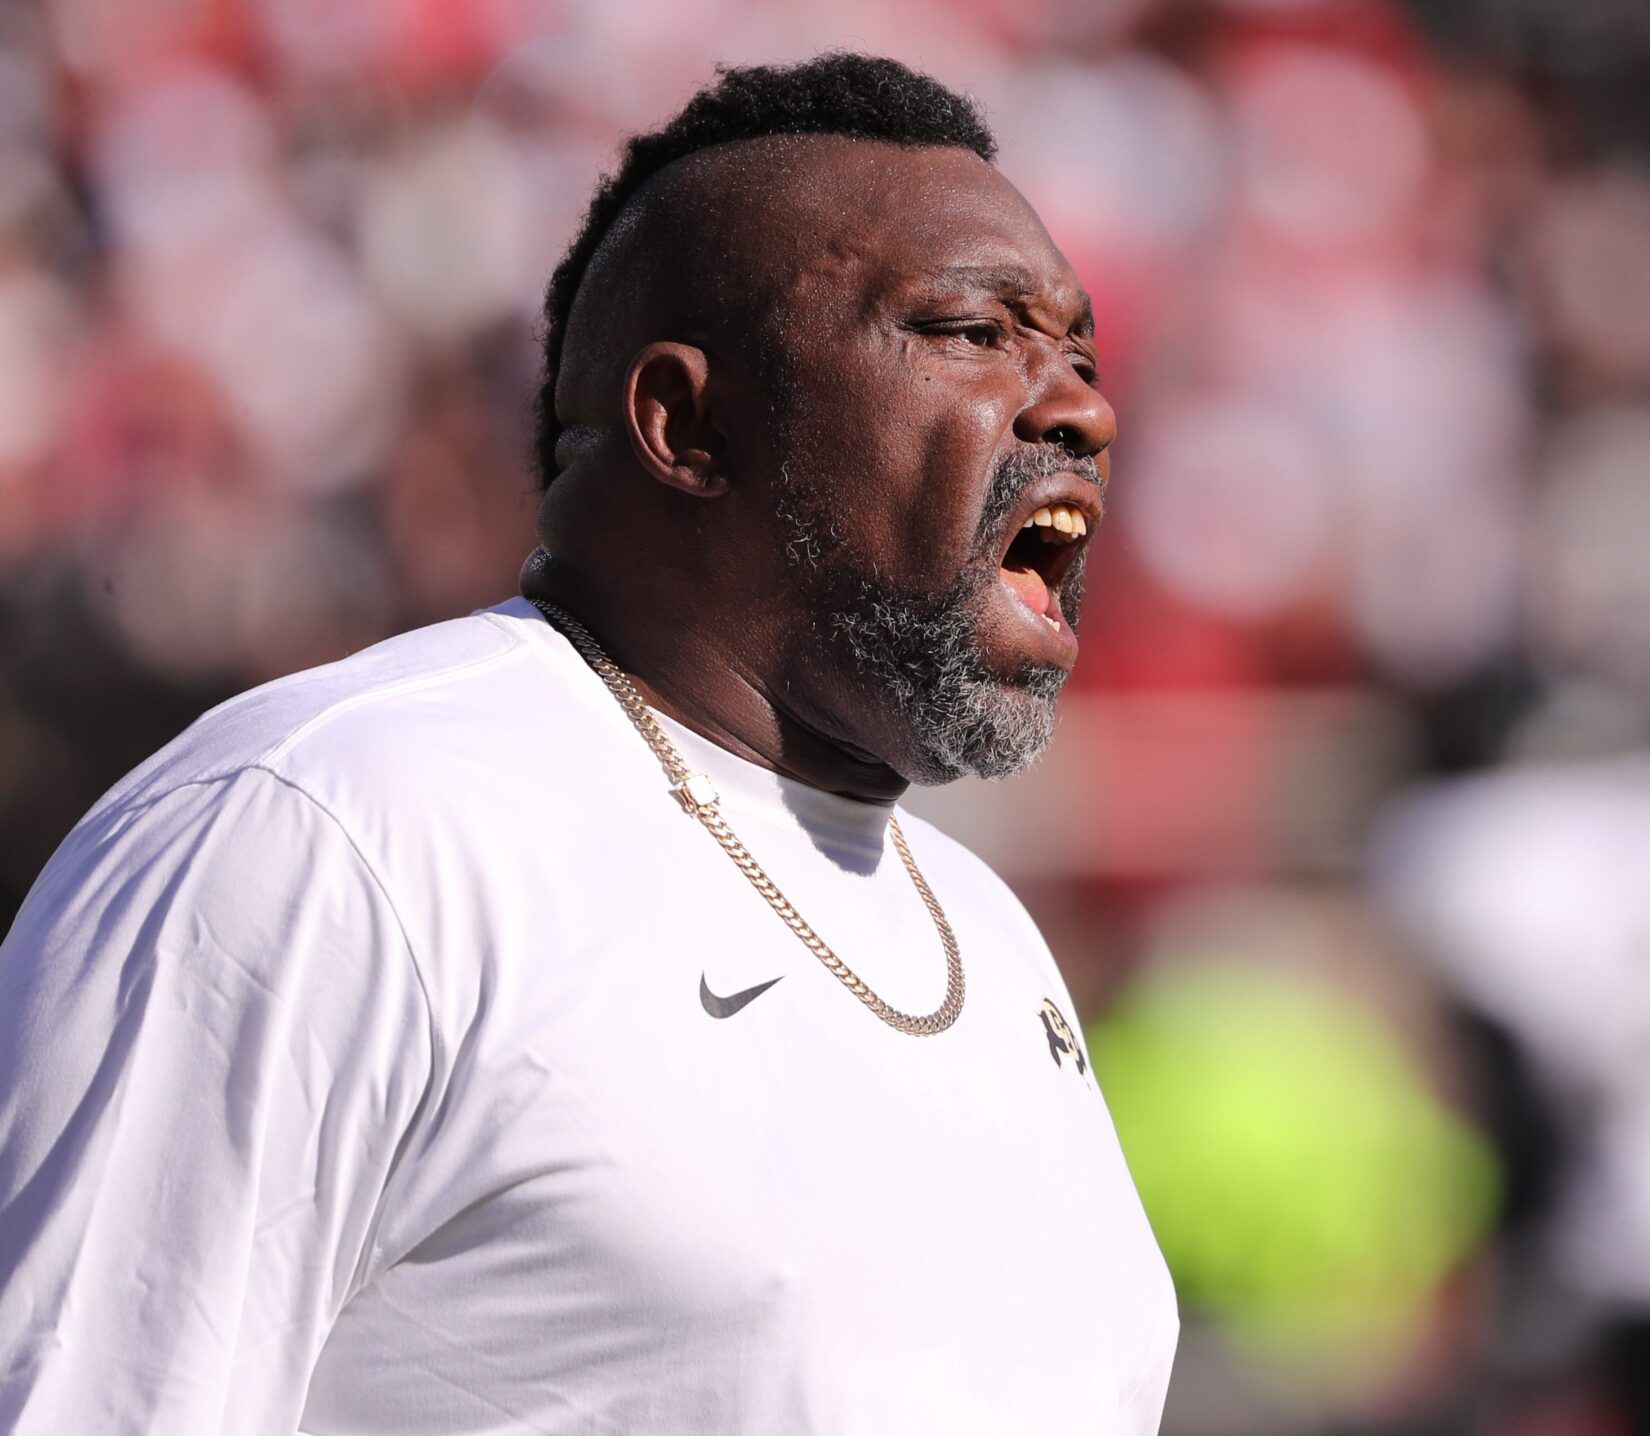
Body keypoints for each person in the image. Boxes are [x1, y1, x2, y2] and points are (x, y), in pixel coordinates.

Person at [0, 54, 1177, 1435]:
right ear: (685, 422)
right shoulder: (339, 829)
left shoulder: (988, 932)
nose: (1080, 411)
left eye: (1079, 356)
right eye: (976, 334)